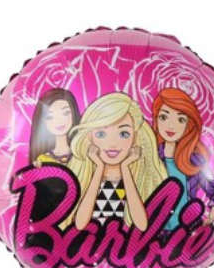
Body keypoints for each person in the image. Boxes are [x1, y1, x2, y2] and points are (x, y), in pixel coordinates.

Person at [63, 93, 167, 230]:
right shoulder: (86, 177)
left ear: (135, 137)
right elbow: (80, 224)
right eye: (101, 134)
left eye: (124, 134)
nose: (112, 143)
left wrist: (125, 168)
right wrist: (99, 168)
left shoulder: (138, 177)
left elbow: (142, 225)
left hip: (124, 242)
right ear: (90, 137)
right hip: (90, 241)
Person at [152, 88, 214, 230]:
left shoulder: (194, 160)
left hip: (185, 230)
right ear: (156, 119)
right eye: (164, 117)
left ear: (188, 125)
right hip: (153, 232)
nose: (171, 126)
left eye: (180, 119)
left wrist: (210, 218)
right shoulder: (150, 156)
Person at [29, 88, 80, 166]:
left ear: (74, 112)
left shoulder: (82, 152)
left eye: (66, 113)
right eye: (50, 117)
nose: (59, 120)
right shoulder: (43, 159)